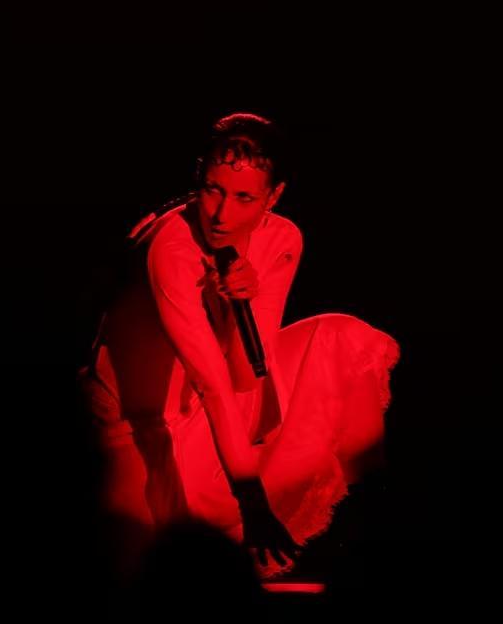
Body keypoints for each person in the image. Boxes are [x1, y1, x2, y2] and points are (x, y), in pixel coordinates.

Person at [79, 113, 400, 577]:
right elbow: (213, 386)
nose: (222, 214)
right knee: (146, 573)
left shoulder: (282, 238)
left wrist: (236, 306)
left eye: (245, 197)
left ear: (275, 196)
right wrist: (252, 504)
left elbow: (248, 377)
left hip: (220, 412)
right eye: (213, 189)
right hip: (141, 436)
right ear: (198, 177)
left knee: (343, 337)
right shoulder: (171, 249)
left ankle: (374, 530)